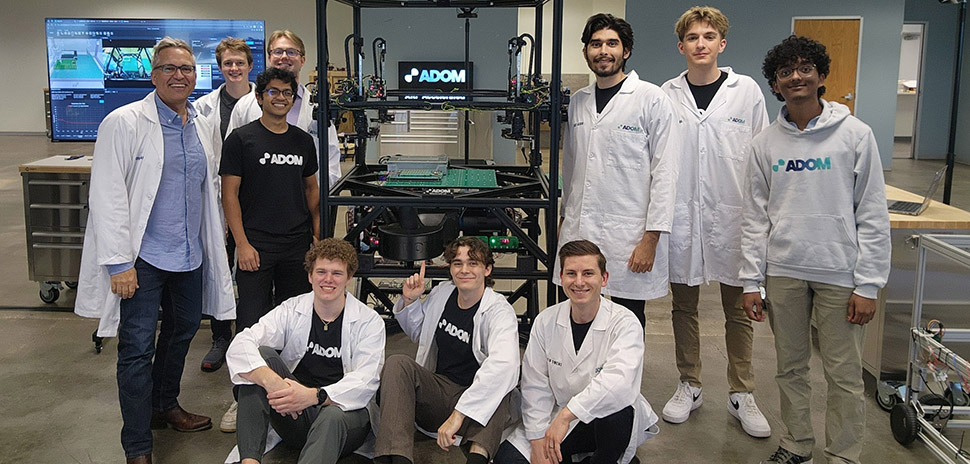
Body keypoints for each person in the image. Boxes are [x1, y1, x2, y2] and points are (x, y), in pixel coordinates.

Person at [75, 37, 235, 464]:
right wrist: (119, 263)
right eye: (169, 68)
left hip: (189, 254)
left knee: (183, 330)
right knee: (136, 348)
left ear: (196, 75)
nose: (179, 76)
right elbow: (107, 194)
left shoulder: (202, 122)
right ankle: (137, 445)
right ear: (153, 74)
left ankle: (165, 406)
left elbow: (208, 186)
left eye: (186, 69)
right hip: (142, 259)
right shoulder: (123, 122)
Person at [741, 35, 891, 464]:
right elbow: (754, 217)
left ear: (822, 76)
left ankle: (843, 454)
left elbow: (872, 212)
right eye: (785, 71)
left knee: (843, 373)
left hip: (839, 273)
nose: (796, 77)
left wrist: (868, 284)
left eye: (805, 68)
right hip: (784, 270)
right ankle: (796, 444)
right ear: (775, 84)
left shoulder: (855, 135)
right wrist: (751, 280)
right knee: (790, 368)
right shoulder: (765, 143)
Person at [658, 6, 771, 437]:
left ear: (722, 43)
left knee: (740, 308)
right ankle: (690, 383)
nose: (700, 44)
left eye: (709, 36)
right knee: (683, 306)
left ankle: (742, 391)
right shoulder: (666, 94)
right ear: (681, 46)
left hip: (733, 217)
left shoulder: (747, 92)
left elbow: (761, 157)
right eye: (693, 37)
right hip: (682, 216)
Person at [555, 13, 679, 328]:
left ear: (626, 50)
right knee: (579, 311)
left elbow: (665, 173)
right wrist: (564, 218)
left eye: (612, 43)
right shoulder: (578, 102)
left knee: (628, 320)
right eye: (595, 44)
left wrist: (651, 239)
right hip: (581, 229)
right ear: (586, 52)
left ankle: (624, 365)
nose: (603, 51)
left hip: (629, 236)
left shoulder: (652, 99)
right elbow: (571, 167)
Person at [218, 66, 322, 431]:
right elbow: (229, 194)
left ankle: (290, 394)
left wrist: (317, 237)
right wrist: (242, 244)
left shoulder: (302, 141)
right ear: (260, 97)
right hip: (256, 248)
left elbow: (311, 189)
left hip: (296, 247)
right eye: (273, 92)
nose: (280, 98)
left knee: (294, 326)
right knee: (251, 326)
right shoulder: (241, 139)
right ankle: (244, 401)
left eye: (287, 93)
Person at [494, 240, 658, 464]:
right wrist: (537, 438)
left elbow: (618, 383)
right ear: (561, 278)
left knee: (616, 415)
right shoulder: (546, 321)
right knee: (507, 460)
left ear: (604, 278)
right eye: (571, 274)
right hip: (561, 415)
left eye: (588, 273)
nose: (579, 282)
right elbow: (535, 384)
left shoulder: (624, 323)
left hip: (601, 420)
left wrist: (567, 415)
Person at [225, 238, 385, 464]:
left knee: (332, 415)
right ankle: (249, 461)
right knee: (260, 358)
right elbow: (242, 342)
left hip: (344, 417)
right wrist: (273, 381)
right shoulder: (292, 309)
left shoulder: (369, 321)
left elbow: (366, 381)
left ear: (349, 278)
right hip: (295, 414)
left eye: (337, 273)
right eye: (321, 272)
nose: (328, 279)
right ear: (310, 276)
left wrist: (314, 396)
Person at [373, 237, 520, 464]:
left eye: (473, 263)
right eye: (457, 263)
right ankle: (396, 457)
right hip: (440, 392)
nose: (464, 270)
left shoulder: (499, 311)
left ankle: (477, 458)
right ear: (450, 268)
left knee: (501, 387)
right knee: (397, 363)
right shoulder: (443, 293)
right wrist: (410, 301)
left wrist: (459, 414)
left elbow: (505, 365)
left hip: (476, 406)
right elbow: (421, 333)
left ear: (487, 269)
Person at [193, 37, 256, 375]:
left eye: (239, 63)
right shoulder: (203, 106)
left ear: (250, 66)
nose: (234, 68)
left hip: (254, 199)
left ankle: (250, 336)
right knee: (218, 266)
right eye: (227, 63)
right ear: (220, 68)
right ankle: (220, 337)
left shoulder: (263, 102)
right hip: (216, 198)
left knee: (251, 270)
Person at [227, 30, 342, 191]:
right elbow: (230, 161)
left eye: (291, 52)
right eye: (278, 51)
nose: (284, 57)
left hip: (303, 200)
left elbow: (331, 162)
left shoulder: (317, 108)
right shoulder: (245, 106)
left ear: (302, 60)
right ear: (269, 58)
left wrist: (312, 196)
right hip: (255, 199)